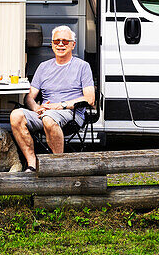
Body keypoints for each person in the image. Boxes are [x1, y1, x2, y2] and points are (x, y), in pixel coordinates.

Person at [9, 25, 96, 171]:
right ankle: (32, 164)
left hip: (71, 113)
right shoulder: (43, 67)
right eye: (56, 41)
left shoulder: (82, 66)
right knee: (16, 115)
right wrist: (36, 108)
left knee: (49, 118)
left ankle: (58, 166)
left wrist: (60, 105)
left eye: (65, 41)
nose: (60, 44)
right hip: (45, 113)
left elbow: (90, 99)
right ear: (52, 44)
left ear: (73, 45)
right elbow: (29, 97)